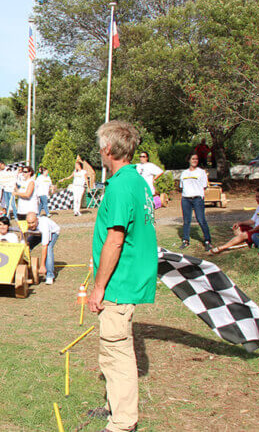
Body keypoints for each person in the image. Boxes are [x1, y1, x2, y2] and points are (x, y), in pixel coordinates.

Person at [87, 120, 157, 432]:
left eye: (101, 145)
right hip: (128, 278)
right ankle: (113, 405)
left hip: (119, 282)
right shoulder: (138, 182)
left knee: (117, 351)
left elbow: (116, 240)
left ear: (109, 149)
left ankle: (123, 421)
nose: (100, 151)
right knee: (110, 347)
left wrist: (98, 287)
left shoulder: (119, 185)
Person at [210, 187, 259, 254]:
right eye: (256, 197)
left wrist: (251, 231)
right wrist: (240, 223)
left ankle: (222, 247)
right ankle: (247, 242)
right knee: (238, 227)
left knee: (244, 235)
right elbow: (252, 221)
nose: (257, 199)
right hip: (258, 229)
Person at [179, 153, 212, 250]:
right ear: (189, 160)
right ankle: (185, 240)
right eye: (193, 159)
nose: (195, 161)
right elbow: (182, 186)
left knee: (201, 220)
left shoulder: (201, 172)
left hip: (197, 198)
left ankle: (207, 240)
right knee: (186, 221)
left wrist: (198, 194)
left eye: (196, 159)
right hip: (185, 199)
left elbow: (204, 186)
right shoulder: (184, 173)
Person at [24, 212, 60, 285]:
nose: (31, 225)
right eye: (29, 223)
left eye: (33, 223)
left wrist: (42, 265)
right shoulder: (26, 225)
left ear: (37, 220)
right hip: (38, 233)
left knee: (49, 249)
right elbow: (24, 239)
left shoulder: (44, 225)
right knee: (25, 247)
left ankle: (49, 275)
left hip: (53, 232)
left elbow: (44, 246)